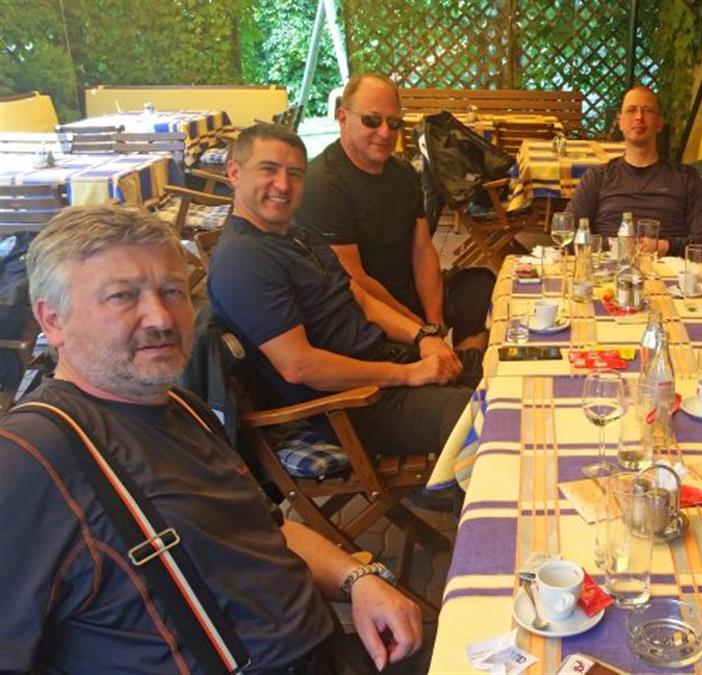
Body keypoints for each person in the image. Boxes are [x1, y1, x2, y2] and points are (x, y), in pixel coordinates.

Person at [0, 205, 423, 673]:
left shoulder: (183, 407)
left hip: (335, 650)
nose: (161, 317)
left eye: (172, 291)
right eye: (123, 296)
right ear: (53, 320)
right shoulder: (32, 457)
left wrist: (357, 579)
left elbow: (269, 529)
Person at [207, 123, 476, 462]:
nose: (284, 185)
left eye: (295, 174)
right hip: (352, 405)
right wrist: (407, 375)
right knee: (489, 419)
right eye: (269, 169)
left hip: (384, 365)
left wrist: (423, 336)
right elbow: (299, 366)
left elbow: (360, 299)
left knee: (510, 371)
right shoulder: (243, 260)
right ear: (234, 172)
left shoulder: (296, 234)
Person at [296, 73, 492, 355]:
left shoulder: (403, 173)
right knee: (411, 357)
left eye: (394, 123)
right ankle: (447, 371)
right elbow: (355, 280)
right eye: (372, 120)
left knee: (478, 286)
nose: (385, 132)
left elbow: (422, 250)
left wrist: (434, 322)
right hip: (363, 308)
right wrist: (420, 330)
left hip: (406, 293)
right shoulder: (323, 184)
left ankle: (467, 369)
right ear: (342, 118)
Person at [565, 85, 702, 256]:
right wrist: (615, 246)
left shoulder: (685, 177)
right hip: (607, 265)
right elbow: (567, 232)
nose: (639, 117)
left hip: (667, 266)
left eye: (647, 110)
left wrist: (664, 246)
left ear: (660, 123)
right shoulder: (598, 177)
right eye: (631, 110)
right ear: (620, 121)